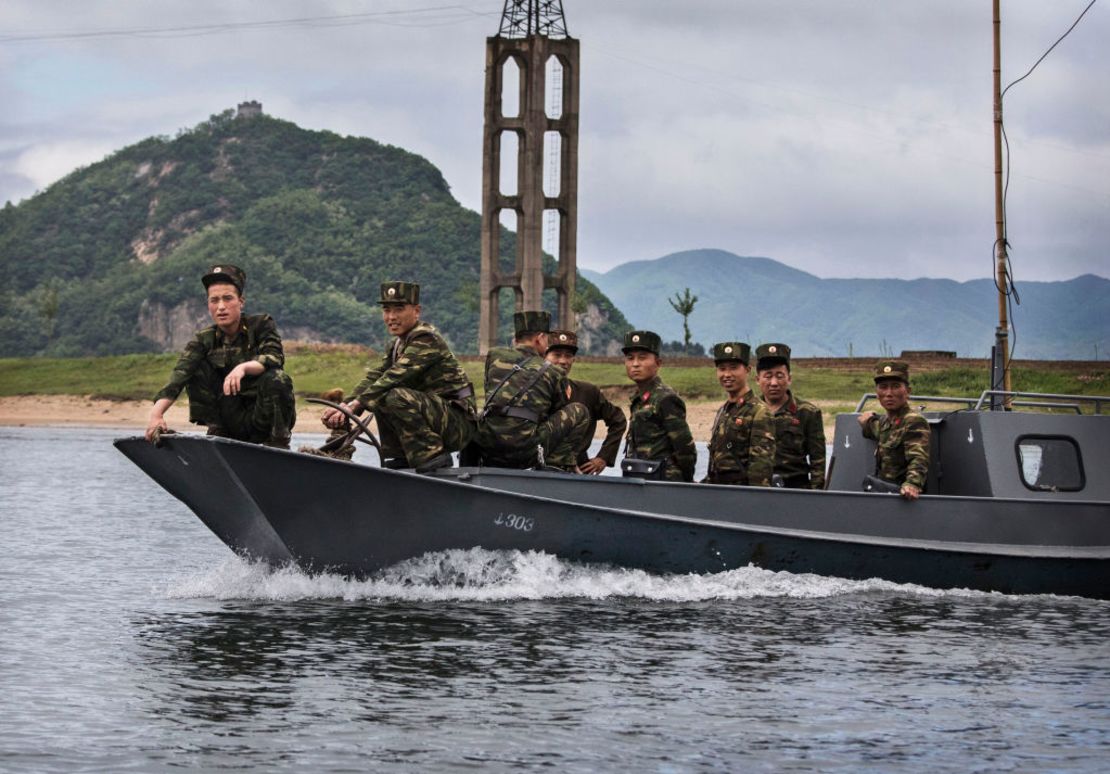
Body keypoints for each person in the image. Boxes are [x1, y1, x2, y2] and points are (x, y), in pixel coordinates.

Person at [321, 281, 475, 473]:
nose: (391, 317)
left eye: (399, 309)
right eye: (386, 310)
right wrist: (344, 406)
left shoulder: (426, 339)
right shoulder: (396, 345)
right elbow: (375, 377)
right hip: (437, 418)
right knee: (380, 396)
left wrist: (355, 406)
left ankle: (431, 456)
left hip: (458, 424)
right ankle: (401, 457)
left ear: (416, 311)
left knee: (393, 395)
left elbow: (394, 377)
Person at [146, 264, 295, 448]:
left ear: (241, 302)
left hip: (261, 418)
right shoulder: (204, 340)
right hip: (228, 418)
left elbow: (274, 357)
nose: (221, 307)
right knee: (196, 367)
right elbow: (179, 376)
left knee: (278, 378)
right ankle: (216, 430)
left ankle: (279, 443)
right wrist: (156, 415)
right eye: (214, 300)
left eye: (227, 299)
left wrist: (243, 368)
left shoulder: (261, 325)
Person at [472, 311, 591, 470]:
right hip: (524, 454)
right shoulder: (554, 372)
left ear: (516, 339)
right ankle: (557, 467)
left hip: (488, 449)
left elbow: (490, 392)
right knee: (579, 411)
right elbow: (555, 410)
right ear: (540, 338)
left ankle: (469, 469)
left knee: (478, 414)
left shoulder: (494, 355)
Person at [545, 330, 628, 474]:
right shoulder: (534, 393)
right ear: (544, 357)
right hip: (540, 469)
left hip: (578, 470)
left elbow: (618, 420)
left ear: (574, 360)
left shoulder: (587, 392)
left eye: (568, 356)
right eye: (557, 355)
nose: (563, 361)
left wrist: (603, 457)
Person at [622, 330, 696, 482]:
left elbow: (685, 449)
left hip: (663, 482)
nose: (635, 364)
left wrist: (687, 482)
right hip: (639, 478)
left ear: (658, 363)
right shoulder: (638, 399)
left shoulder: (666, 398)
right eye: (630, 358)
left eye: (642, 358)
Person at [755, 343, 826, 489]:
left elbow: (818, 461)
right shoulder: (750, 412)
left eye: (779, 376)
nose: (774, 383)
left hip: (795, 490)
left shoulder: (808, 413)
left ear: (789, 378)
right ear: (758, 380)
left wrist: (816, 495)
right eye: (768, 376)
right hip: (758, 490)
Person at [857, 359, 930, 500]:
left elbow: (919, 458)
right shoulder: (884, 422)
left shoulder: (914, 421)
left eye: (895, 386)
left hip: (902, 497)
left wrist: (912, 484)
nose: (889, 393)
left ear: (907, 391)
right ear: (876, 392)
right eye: (883, 387)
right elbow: (875, 430)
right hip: (883, 493)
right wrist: (866, 422)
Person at [704, 342, 775, 486]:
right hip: (718, 494)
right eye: (722, 369)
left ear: (748, 370)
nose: (727, 374)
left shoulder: (759, 412)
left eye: (734, 368)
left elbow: (760, 471)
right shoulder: (723, 411)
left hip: (742, 496)